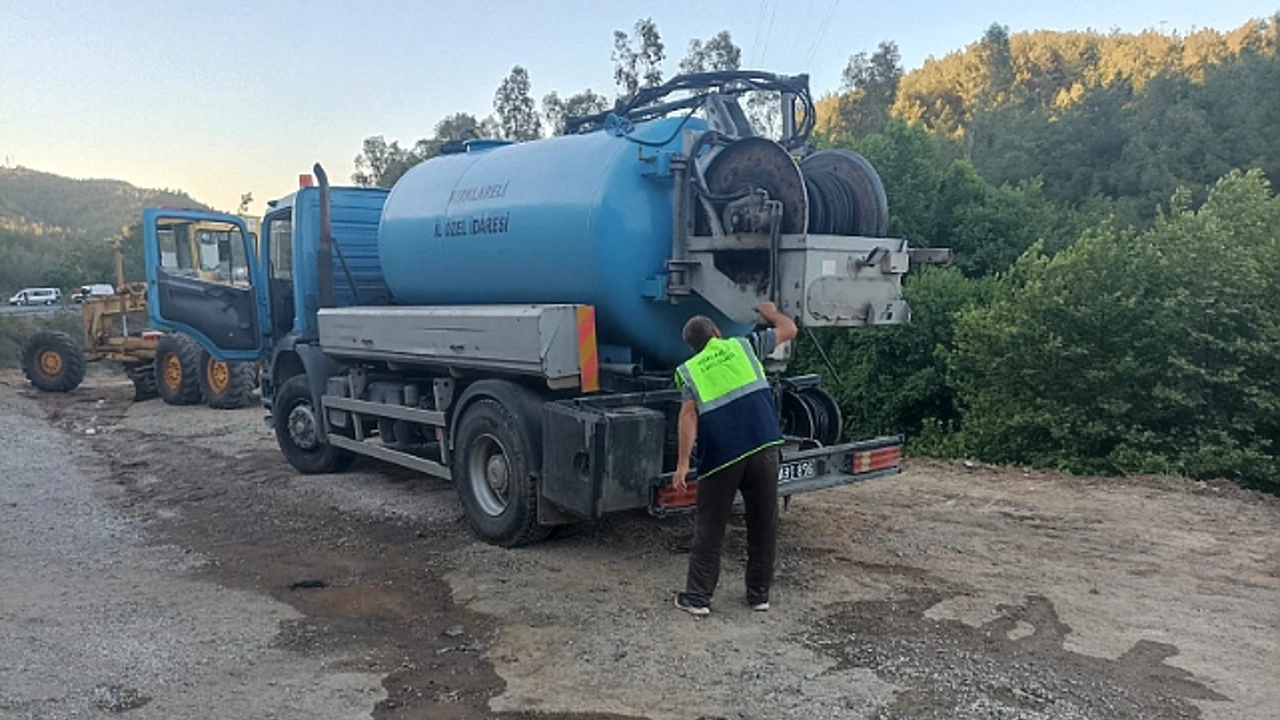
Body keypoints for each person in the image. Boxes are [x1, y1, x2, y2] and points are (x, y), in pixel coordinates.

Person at [671, 301, 797, 616]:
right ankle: (758, 596)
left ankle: (699, 599)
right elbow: (789, 329)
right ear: (716, 332)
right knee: (763, 522)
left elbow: (688, 417)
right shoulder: (744, 346)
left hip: (723, 456)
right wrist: (769, 313)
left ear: (692, 347)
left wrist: (683, 464)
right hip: (764, 446)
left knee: (711, 527)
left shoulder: (691, 370)